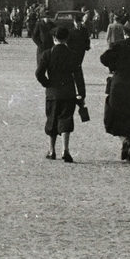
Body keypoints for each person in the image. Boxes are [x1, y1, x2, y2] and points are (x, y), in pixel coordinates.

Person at [36, 23, 86, 162]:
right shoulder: (73, 55)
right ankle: (65, 150)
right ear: (67, 38)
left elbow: (39, 73)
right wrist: (81, 94)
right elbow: (79, 77)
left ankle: (52, 151)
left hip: (52, 92)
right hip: (69, 92)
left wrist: (47, 84)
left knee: (52, 120)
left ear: (54, 39)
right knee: (66, 120)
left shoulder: (47, 54)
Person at [99, 20, 130, 162]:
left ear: (124, 32)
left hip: (119, 81)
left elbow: (103, 58)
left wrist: (114, 66)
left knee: (115, 113)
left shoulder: (118, 45)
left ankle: (124, 141)